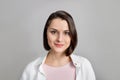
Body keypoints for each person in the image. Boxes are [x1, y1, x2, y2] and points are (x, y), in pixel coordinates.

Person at [20, 10, 96, 80]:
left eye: (66, 33)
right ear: (46, 33)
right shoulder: (31, 69)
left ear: (72, 35)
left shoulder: (84, 66)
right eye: (53, 32)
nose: (59, 39)